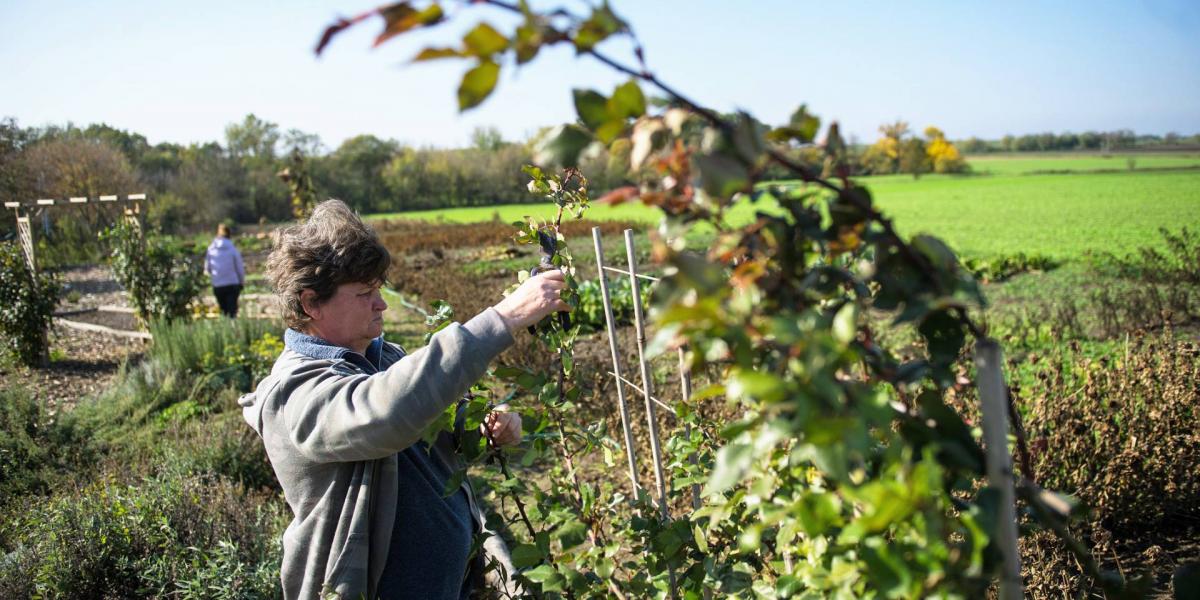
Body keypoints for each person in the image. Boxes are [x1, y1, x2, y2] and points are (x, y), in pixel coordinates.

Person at [239, 199, 569, 599]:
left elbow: (426, 426)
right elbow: (383, 414)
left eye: (379, 289)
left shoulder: (381, 356)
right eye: (364, 294)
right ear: (311, 303)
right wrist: (504, 318)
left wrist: (479, 428)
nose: (382, 304)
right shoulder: (296, 392)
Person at [205, 223, 246, 318]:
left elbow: (207, 269)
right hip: (232, 284)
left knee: (223, 312)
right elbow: (239, 268)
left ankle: (226, 330)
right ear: (229, 234)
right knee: (232, 312)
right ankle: (233, 331)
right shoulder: (233, 249)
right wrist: (242, 282)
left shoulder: (211, 249)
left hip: (218, 285)